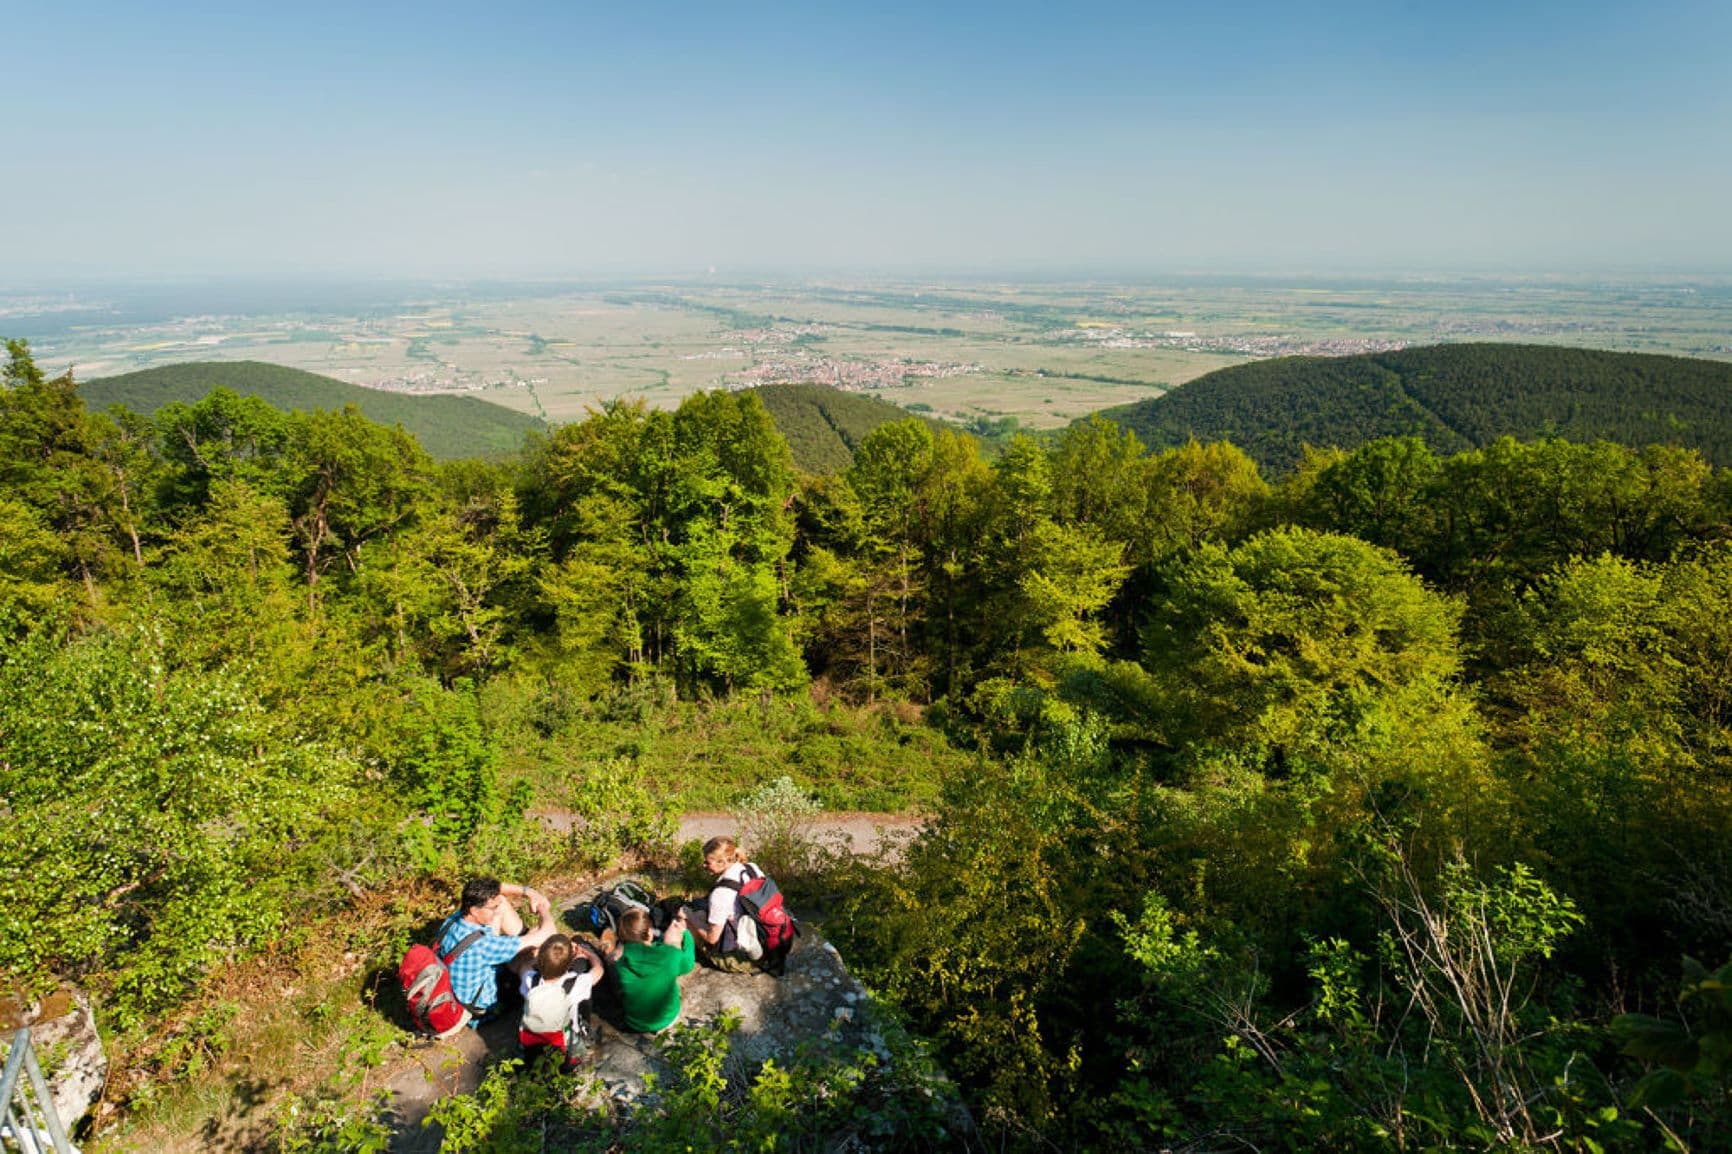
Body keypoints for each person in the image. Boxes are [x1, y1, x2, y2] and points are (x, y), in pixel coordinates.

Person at [438, 877, 558, 1024]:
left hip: (463, 988)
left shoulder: (454, 919)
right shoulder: (483, 945)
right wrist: (543, 909)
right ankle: (542, 1004)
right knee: (531, 955)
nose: (495, 911)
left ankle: (524, 938)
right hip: (482, 1008)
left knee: (502, 903)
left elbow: (498, 890)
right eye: (492, 908)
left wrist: (531, 893)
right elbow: (548, 933)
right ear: (474, 910)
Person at [686, 836, 784, 973]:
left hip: (742, 957)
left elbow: (712, 938)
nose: (704, 865)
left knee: (684, 921)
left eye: (707, 862)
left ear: (722, 862)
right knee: (702, 914)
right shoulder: (751, 868)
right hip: (770, 943)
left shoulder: (721, 893)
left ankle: (683, 963)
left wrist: (689, 919)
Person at [602, 906, 694, 1033]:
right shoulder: (671, 954)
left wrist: (617, 951)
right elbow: (688, 965)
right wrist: (685, 934)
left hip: (635, 1023)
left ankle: (607, 950)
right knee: (671, 968)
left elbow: (618, 958)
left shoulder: (619, 961)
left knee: (611, 970)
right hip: (668, 1018)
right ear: (650, 933)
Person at [519, 934, 603, 1070]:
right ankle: (583, 1041)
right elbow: (599, 969)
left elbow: (524, 966)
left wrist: (539, 953)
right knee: (582, 964)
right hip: (566, 1046)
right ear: (569, 965)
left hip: (534, 1043)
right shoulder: (575, 983)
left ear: (540, 960)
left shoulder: (530, 980)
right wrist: (586, 952)